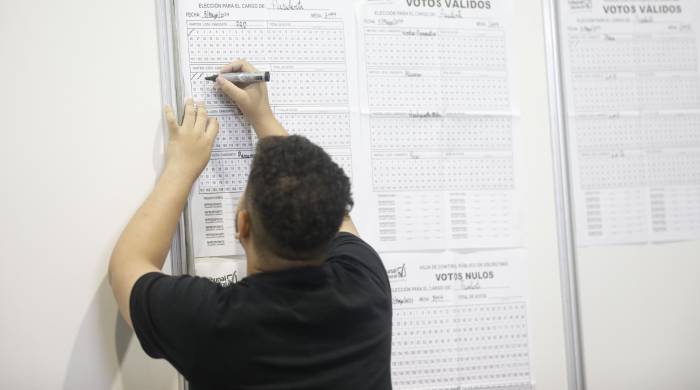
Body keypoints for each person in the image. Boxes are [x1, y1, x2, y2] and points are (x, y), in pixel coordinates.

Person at [108, 59, 392, 389]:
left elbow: (126, 266)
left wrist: (181, 167)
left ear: (242, 225)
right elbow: (330, 207)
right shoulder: (365, 286)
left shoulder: (215, 323)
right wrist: (263, 116)